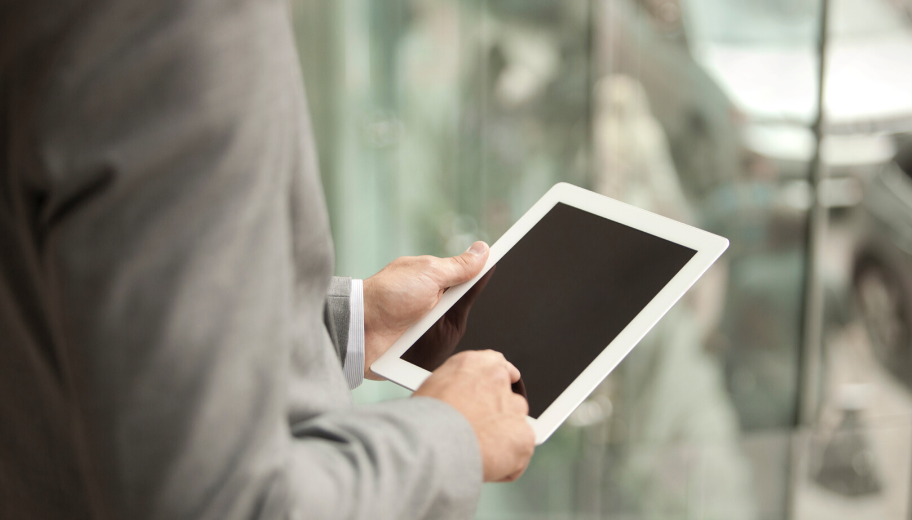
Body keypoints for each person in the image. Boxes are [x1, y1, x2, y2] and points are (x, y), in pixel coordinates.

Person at [0, 0, 535, 519]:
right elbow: (214, 504)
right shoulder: (182, 23)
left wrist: (346, 326)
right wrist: (451, 436)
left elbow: (78, 300)